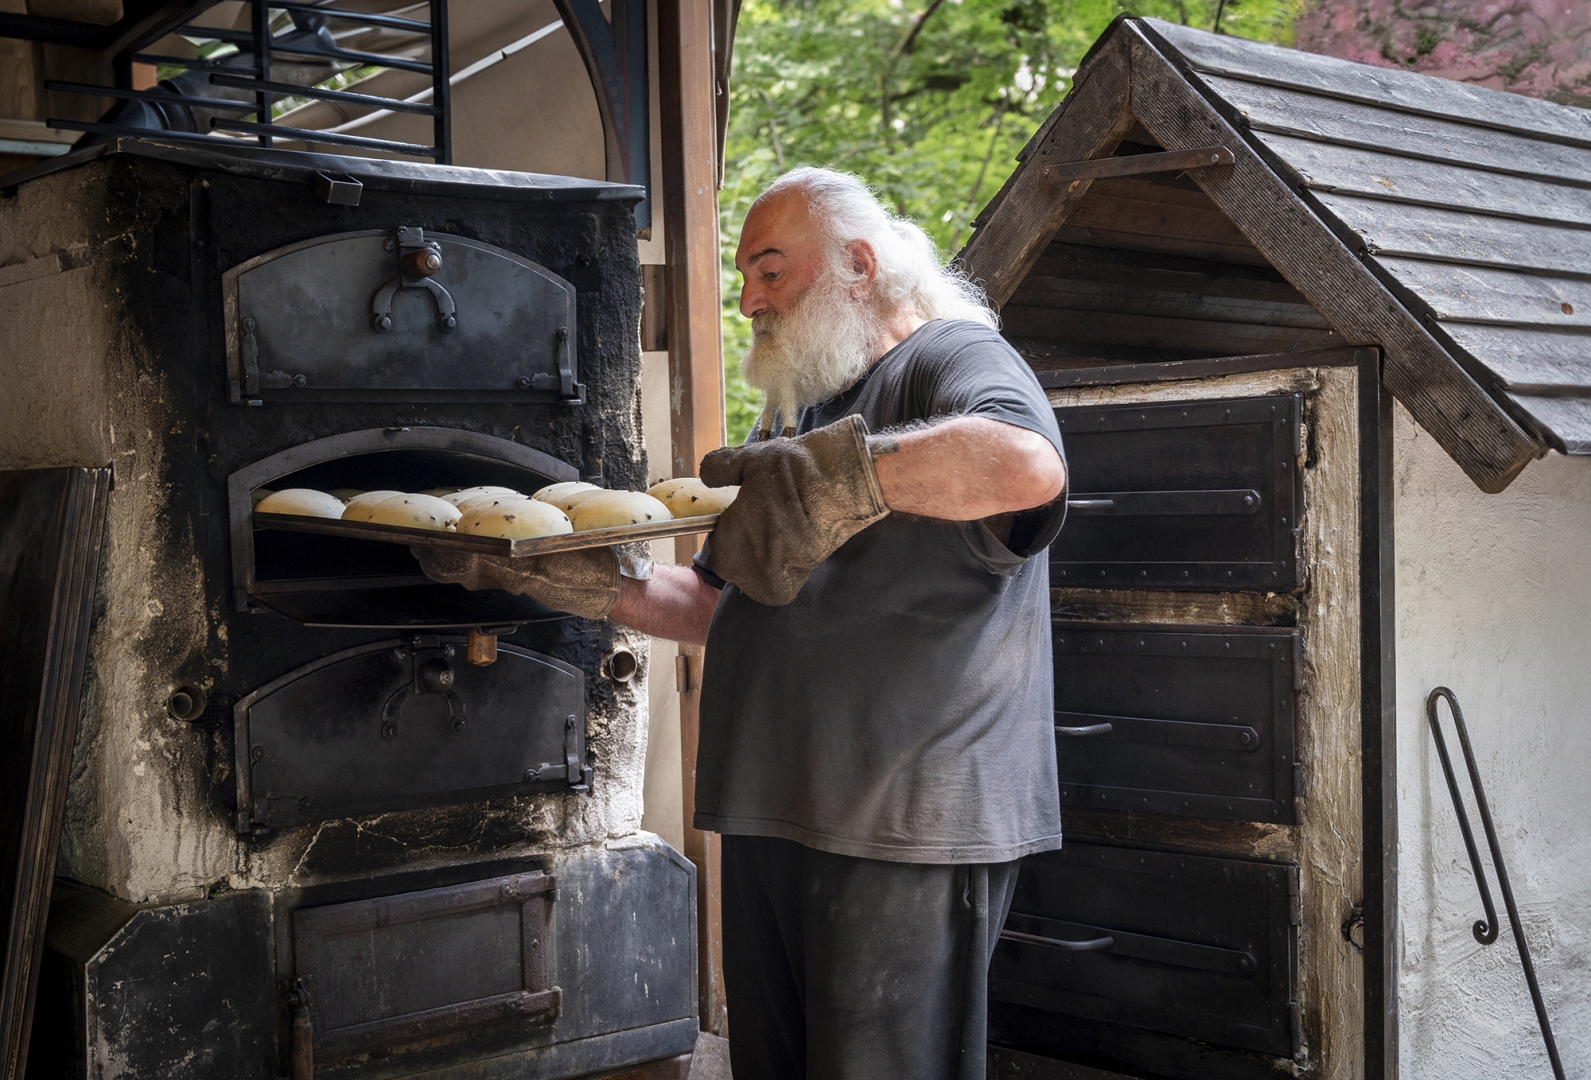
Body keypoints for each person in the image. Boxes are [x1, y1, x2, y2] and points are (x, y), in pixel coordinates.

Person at [417, 167, 1067, 1080]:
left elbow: (1024, 466)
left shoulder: (949, 358)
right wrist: (578, 582)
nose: (749, 300)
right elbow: (722, 611)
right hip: (778, 805)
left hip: (906, 819)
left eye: (769, 271)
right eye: (743, 278)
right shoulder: (797, 416)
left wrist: (849, 477)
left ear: (859, 264)